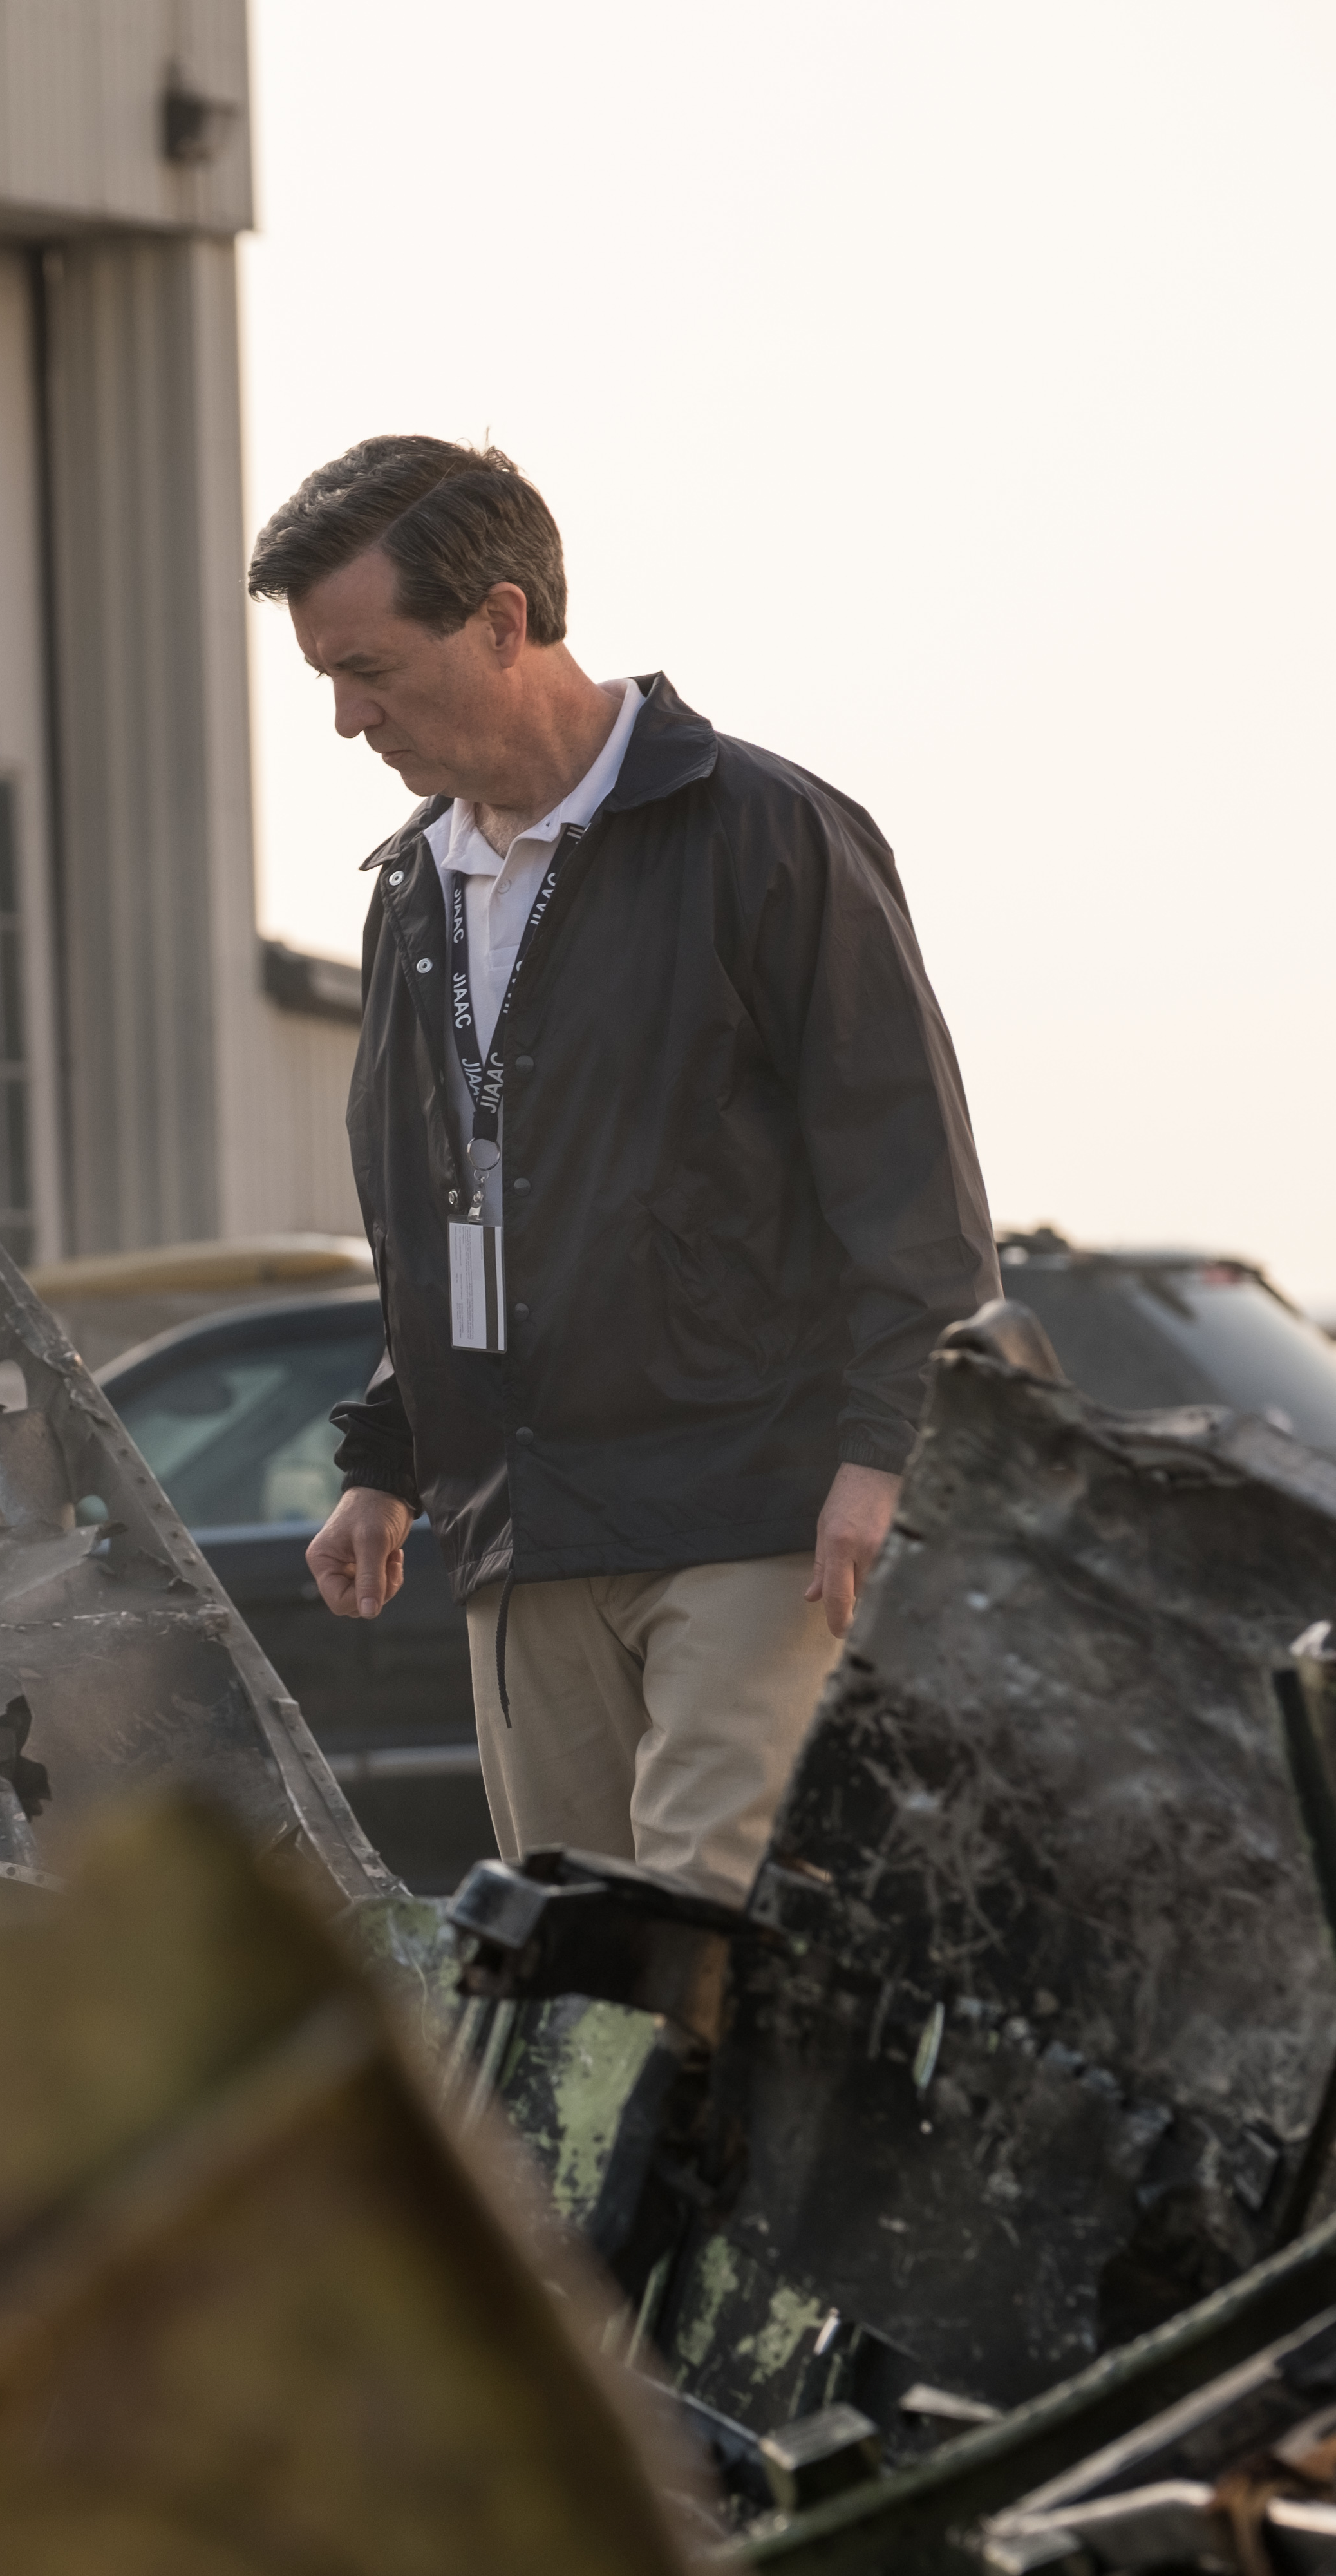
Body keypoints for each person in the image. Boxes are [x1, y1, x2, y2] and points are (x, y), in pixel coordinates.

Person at [247, 437, 995, 1903]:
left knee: (711, 1923)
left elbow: (912, 1184)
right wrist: (386, 1464)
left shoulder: (768, 834)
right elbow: (454, 1211)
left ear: (502, 620)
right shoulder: (411, 896)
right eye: (325, 677)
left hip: (755, 1518)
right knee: (573, 1958)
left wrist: (884, 1452)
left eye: (369, 669)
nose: (345, 718)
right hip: (519, 1533)